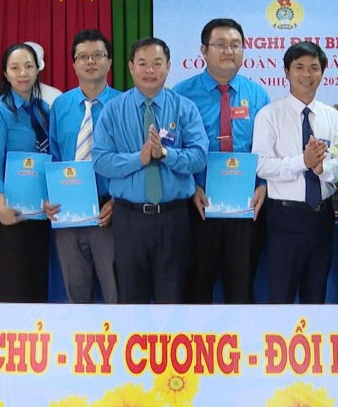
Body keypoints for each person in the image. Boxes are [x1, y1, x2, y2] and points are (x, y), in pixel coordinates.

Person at [92, 37, 208, 304]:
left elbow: (200, 157)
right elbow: (101, 160)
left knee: (174, 300)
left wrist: (165, 154)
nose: (150, 70)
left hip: (174, 218)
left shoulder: (184, 108)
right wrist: (139, 159)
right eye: (142, 63)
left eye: (157, 63)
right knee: (132, 302)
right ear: (131, 67)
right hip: (128, 219)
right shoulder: (113, 110)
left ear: (168, 67)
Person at [174, 18, 270, 304]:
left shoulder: (257, 94)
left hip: (246, 207)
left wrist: (262, 184)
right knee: (197, 288)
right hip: (198, 206)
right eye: (221, 45)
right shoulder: (181, 94)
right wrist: (191, 187)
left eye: (235, 45)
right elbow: (172, 151)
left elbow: (265, 148)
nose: (229, 51)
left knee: (241, 289)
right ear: (203, 50)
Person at [252, 41, 338, 304]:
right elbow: (261, 164)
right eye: (300, 67)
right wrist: (302, 162)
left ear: (323, 72)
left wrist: (321, 168)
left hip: (322, 217)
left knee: (316, 296)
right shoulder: (269, 115)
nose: (307, 74)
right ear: (286, 72)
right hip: (285, 218)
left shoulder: (333, 117)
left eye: (314, 68)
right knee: (280, 297)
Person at [48, 30, 120, 303]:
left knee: (116, 293)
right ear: (74, 63)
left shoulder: (124, 104)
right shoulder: (60, 106)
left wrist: (116, 201)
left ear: (109, 62)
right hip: (68, 212)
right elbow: (54, 157)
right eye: (83, 57)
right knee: (76, 294)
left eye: (98, 55)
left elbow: (134, 160)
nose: (91, 61)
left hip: (109, 211)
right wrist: (50, 197)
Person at [0, 42, 55, 303]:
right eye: (15, 67)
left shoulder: (44, 110)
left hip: (39, 212)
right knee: (12, 282)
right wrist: (1, 205)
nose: (22, 73)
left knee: (37, 281)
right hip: (9, 212)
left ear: (38, 70)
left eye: (28, 66)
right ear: (5, 73)